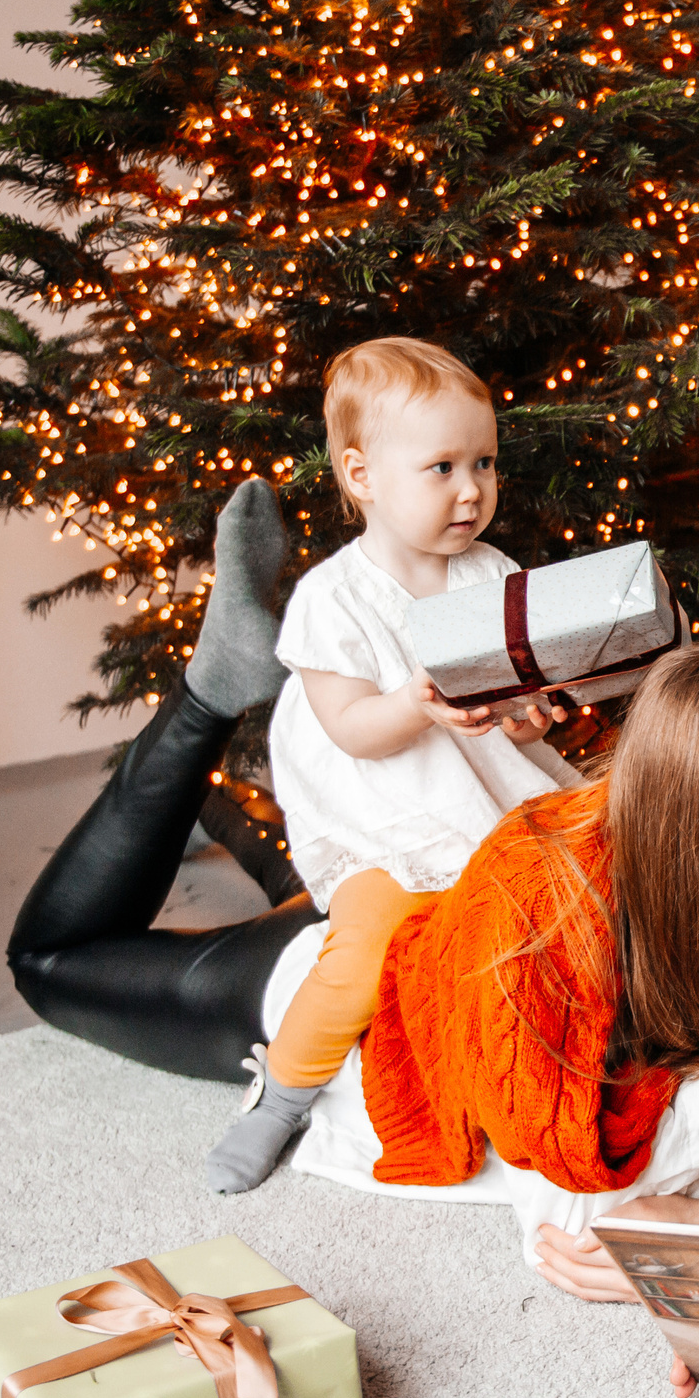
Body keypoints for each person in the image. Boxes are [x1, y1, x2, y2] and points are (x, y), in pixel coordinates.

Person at [5, 491, 699, 1271]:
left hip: (454, 908)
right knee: (50, 962)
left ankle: (247, 826)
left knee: (373, 877)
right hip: (376, 1002)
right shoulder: (551, 931)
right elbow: (579, 1215)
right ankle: (209, 697)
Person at [206, 338, 582, 1192]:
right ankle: (284, 1094)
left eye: (483, 462)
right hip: (385, 819)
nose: (471, 489)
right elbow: (350, 729)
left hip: (489, 796)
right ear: (364, 475)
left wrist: (530, 715)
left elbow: (517, 710)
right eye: (442, 467)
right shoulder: (334, 599)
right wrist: (415, 700)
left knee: (576, 893)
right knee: (366, 952)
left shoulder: (491, 572)